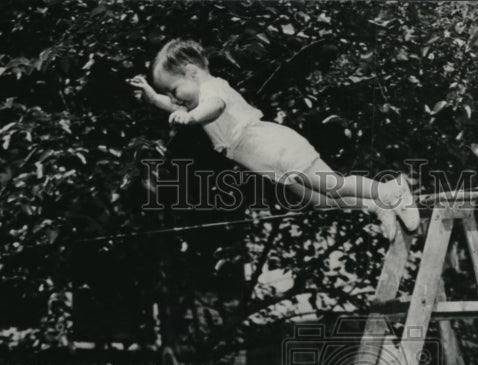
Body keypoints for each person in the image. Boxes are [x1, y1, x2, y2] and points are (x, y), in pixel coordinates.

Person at [129, 38, 420, 240]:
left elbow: (213, 108)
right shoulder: (197, 98)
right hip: (265, 160)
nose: (174, 99)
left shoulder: (213, 90)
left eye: (174, 90)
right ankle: (375, 203)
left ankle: (391, 190)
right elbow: (180, 108)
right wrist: (154, 99)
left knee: (331, 184)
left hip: (276, 147)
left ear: (192, 73)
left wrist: (191, 118)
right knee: (320, 200)